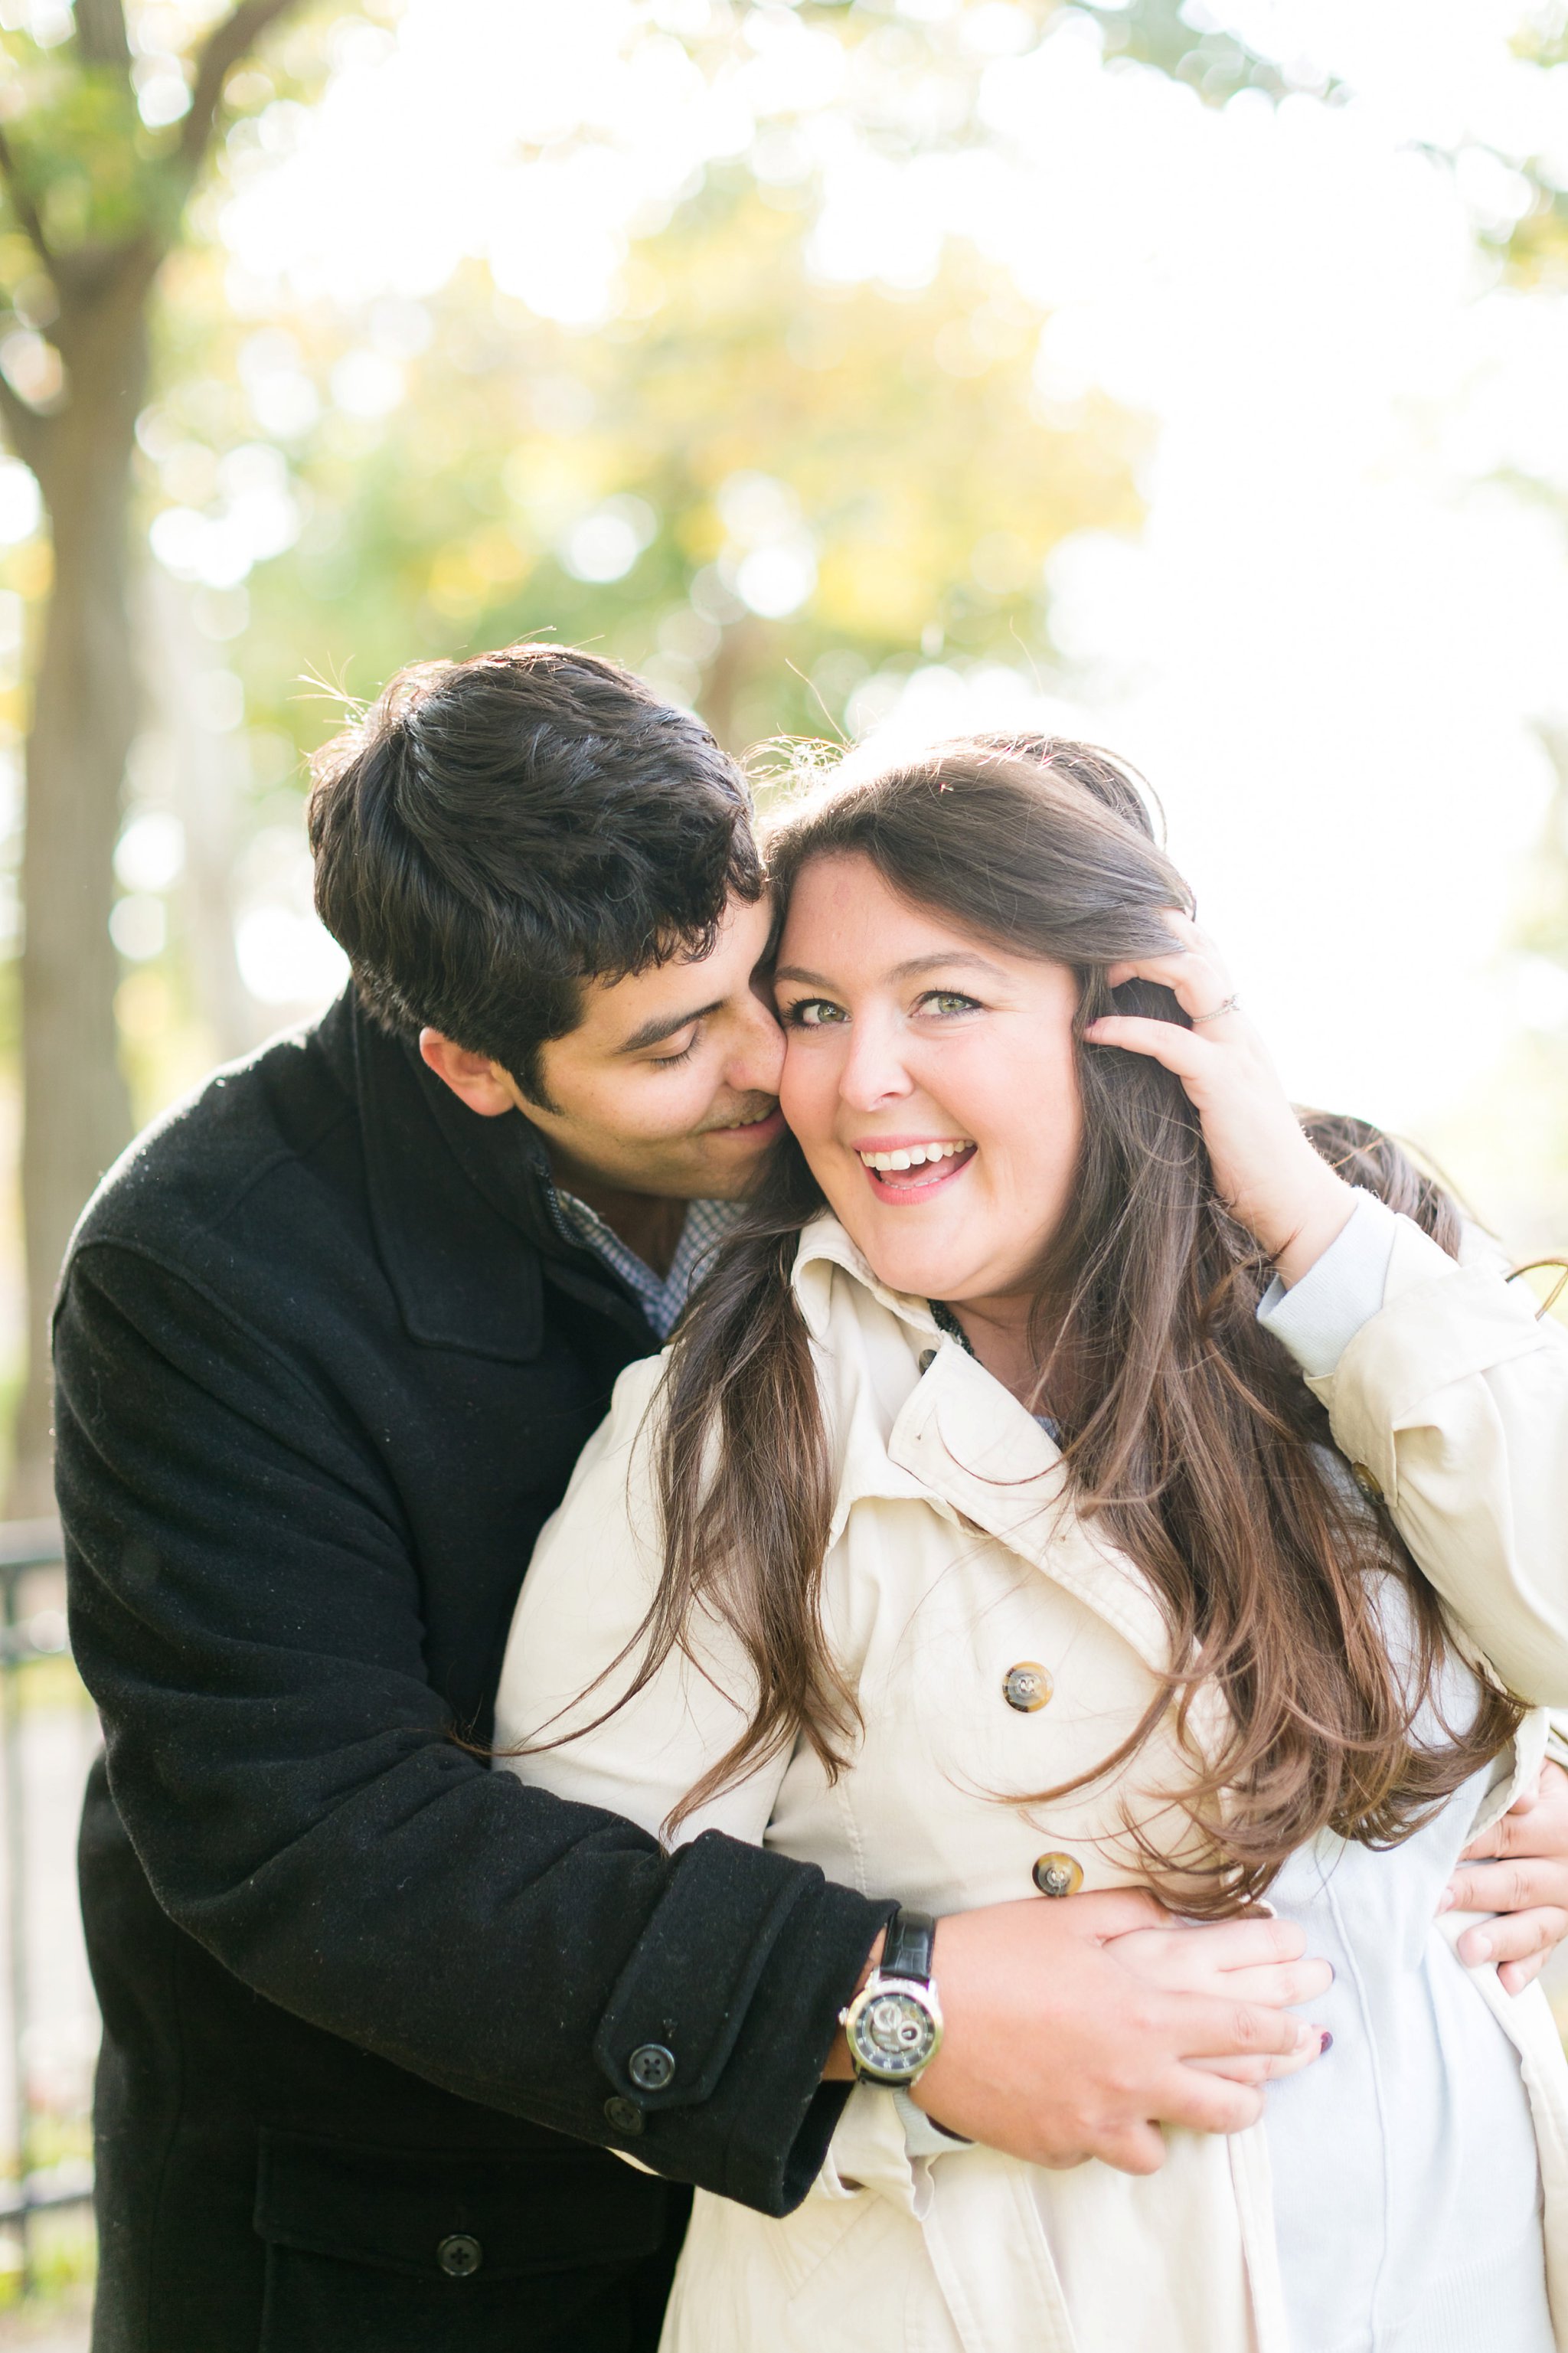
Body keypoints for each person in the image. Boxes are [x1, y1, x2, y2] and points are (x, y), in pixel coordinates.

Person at [59, 649, 1366, 2353]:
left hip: (852, 2228)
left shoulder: (860, 1113)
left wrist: (1492, 1776)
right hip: (415, 2239)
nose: (784, 1063)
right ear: (469, 1063)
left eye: (779, 983)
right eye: (680, 1042)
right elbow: (312, 1835)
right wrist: (890, 1997)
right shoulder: (208, 1267)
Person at [496, 734, 1568, 2351]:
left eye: (945, 998)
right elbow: (564, 1963)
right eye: (813, 1011)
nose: (861, 1078)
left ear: (1126, 1013)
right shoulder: (734, 1418)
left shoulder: (1360, 1272)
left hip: (1466, 2280)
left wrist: (1311, 1229)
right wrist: (909, 2035)